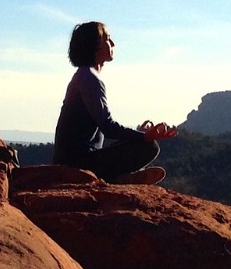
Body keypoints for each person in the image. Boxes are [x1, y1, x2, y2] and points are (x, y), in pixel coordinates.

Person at [52, 21, 177, 184]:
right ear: (94, 44)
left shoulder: (84, 76)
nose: (113, 43)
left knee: (140, 141)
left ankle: (121, 177)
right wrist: (144, 136)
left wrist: (137, 134)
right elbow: (108, 127)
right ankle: (118, 179)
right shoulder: (88, 78)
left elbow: (106, 127)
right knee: (149, 147)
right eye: (107, 38)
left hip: (75, 159)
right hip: (76, 164)